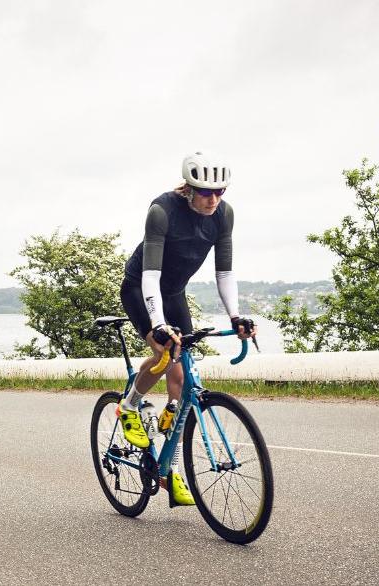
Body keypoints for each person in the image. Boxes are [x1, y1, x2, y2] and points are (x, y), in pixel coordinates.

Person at [117, 151, 256, 506]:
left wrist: (236, 316)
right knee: (166, 353)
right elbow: (151, 276)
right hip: (141, 290)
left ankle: (169, 470)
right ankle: (129, 406)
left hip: (175, 293)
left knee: (182, 381)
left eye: (219, 191)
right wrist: (159, 325)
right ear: (189, 189)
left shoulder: (224, 215)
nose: (213, 199)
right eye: (205, 192)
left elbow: (224, 272)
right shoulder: (162, 211)